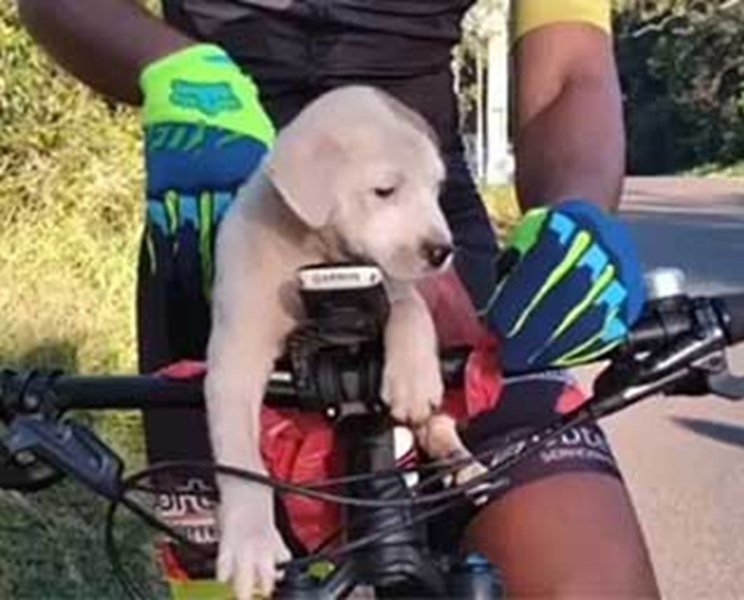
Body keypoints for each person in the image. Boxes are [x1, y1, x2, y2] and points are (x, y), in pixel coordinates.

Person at [17, 0, 660, 597]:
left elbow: (570, 70)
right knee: (240, 572)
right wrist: (177, 71)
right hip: (228, 226)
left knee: (589, 578)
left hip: (431, 251)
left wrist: (576, 213)